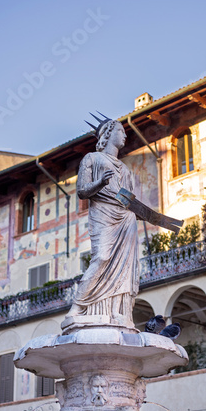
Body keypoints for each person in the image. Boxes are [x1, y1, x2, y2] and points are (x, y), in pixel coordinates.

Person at [66, 119, 139, 326]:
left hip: (125, 219)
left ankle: (117, 311)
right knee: (102, 257)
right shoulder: (92, 158)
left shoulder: (125, 169)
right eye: (121, 130)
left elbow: (128, 200)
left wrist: (147, 214)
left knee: (124, 265)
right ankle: (77, 306)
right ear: (107, 133)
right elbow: (81, 191)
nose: (124, 135)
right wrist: (100, 183)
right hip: (103, 214)